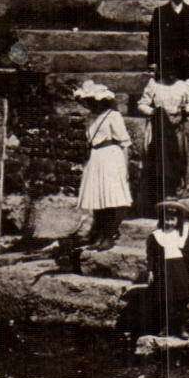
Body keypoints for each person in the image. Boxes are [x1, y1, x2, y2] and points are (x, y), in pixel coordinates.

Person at [74, 80, 131, 250]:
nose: (89, 104)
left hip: (111, 156)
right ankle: (98, 234)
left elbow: (125, 143)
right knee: (97, 196)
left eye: (92, 100)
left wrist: (125, 168)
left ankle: (110, 234)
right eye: (87, 101)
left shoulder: (113, 116)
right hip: (96, 157)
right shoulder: (90, 118)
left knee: (111, 196)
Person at [134, 65, 189, 216]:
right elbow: (142, 104)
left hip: (178, 127)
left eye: (173, 70)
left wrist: (184, 110)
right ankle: (156, 200)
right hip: (159, 127)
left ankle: (176, 195)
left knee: (179, 159)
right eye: (168, 70)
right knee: (157, 160)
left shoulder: (184, 84)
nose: (171, 74)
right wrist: (156, 112)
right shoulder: (154, 84)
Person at [145, 202, 189, 335]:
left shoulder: (182, 234)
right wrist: (151, 271)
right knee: (165, 299)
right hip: (164, 270)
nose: (169, 222)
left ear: (178, 220)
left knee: (181, 300)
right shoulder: (156, 236)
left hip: (179, 269)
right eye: (166, 219)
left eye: (172, 219)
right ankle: (166, 327)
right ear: (162, 219)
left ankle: (181, 326)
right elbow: (151, 255)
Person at [146, 0, 189, 85]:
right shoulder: (160, 12)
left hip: (187, 61)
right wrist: (152, 61)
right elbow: (154, 37)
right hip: (166, 60)